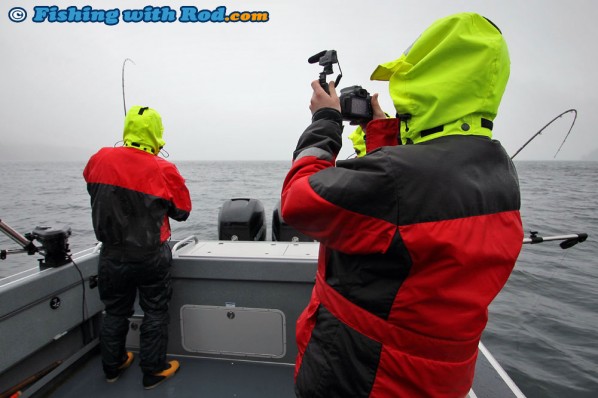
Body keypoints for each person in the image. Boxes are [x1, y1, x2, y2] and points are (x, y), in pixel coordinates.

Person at [281, 13, 523, 397]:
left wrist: (325, 122)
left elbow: (298, 201)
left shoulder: (398, 180)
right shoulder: (500, 170)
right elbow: (404, 216)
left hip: (363, 374)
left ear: (424, 81)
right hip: (438, 381)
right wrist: (383, 132)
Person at [83, 105, 191, 390]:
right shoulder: (163, 168)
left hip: (110, 255)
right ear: (156, 134)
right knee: (155, 311)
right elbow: (182, 211)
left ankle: (112, 366)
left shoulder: (99, 158)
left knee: (115, 311)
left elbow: (92, 187)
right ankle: (153, 371)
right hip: (150, 256)